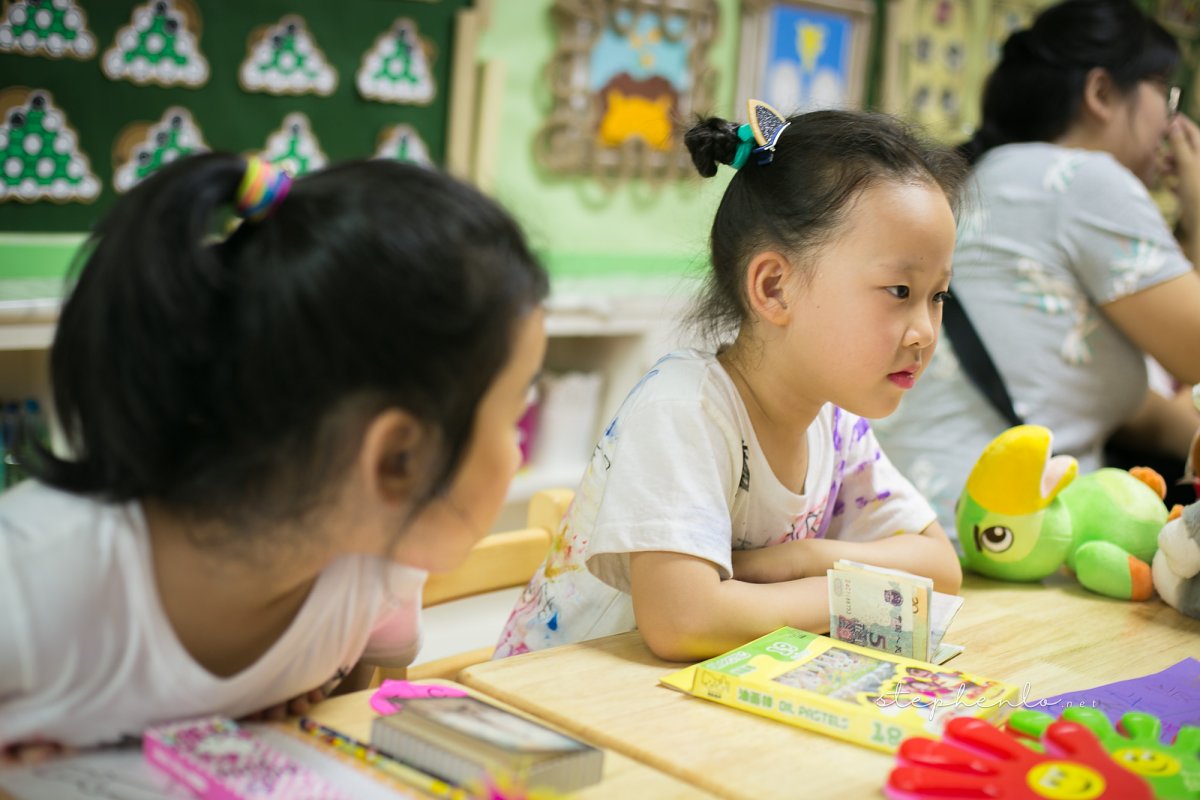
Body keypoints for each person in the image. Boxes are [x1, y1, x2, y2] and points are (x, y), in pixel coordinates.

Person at [0, 153, 548, 755]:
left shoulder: (381, 564)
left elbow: (346, 734)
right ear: (397, 459)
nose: (518, 452)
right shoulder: (28, 583)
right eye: (513, 415)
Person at [495, 105, 965, 663]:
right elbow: (686, 623)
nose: (924, 332)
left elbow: (939, 567)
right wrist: (859, 594)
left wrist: (802, 559)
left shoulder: (835, 424)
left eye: (937, 296)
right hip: (558, 708)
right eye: (898, 291)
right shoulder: (684, 408)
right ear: (773, 288)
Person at [874, 0, 1200, 530]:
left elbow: (1132, 406)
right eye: (1164, 91)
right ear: (1101, 93)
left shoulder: (990, 173)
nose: (1171, 119)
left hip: (920, 522)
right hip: (997, 541)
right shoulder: (1084, 180)